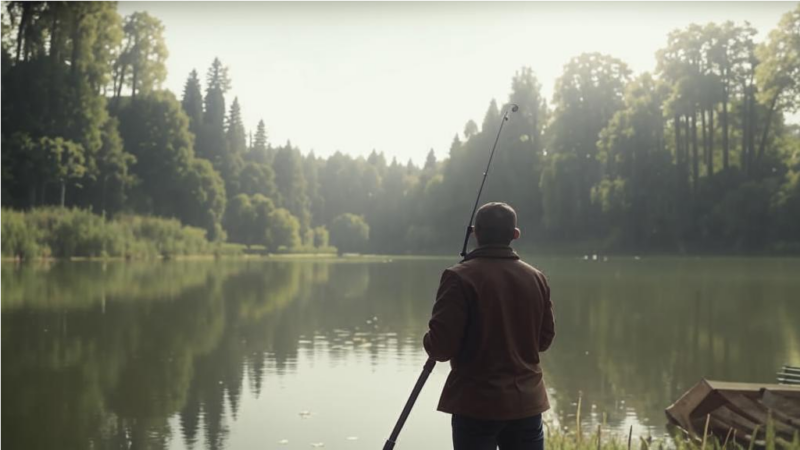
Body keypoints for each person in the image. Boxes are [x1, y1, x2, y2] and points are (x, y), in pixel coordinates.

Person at [423, 202, 555, 450]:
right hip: (526, 403)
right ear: (515, 234)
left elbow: (440, 348)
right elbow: (544, 341)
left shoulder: (458, 277)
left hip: (476, 405)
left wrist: (429, 338)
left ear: (475, 233)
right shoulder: (537, 278)